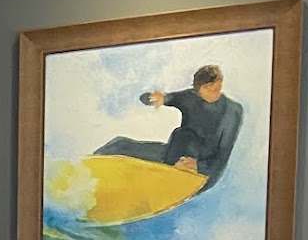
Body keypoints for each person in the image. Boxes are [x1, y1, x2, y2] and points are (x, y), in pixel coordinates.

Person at [94, 64, 243, 192]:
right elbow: (162, 98)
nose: (212, 93)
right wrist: (156, 98)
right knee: (120, 144)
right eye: (207, 89)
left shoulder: (232, 111)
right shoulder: (191, 97)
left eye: (216, 88)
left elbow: (222, 156)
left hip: (201, 171)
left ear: (220, 83)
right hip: (173, 154)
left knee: (184, 136)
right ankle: (89, 169)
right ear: (198, 89)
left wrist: (199, 166)